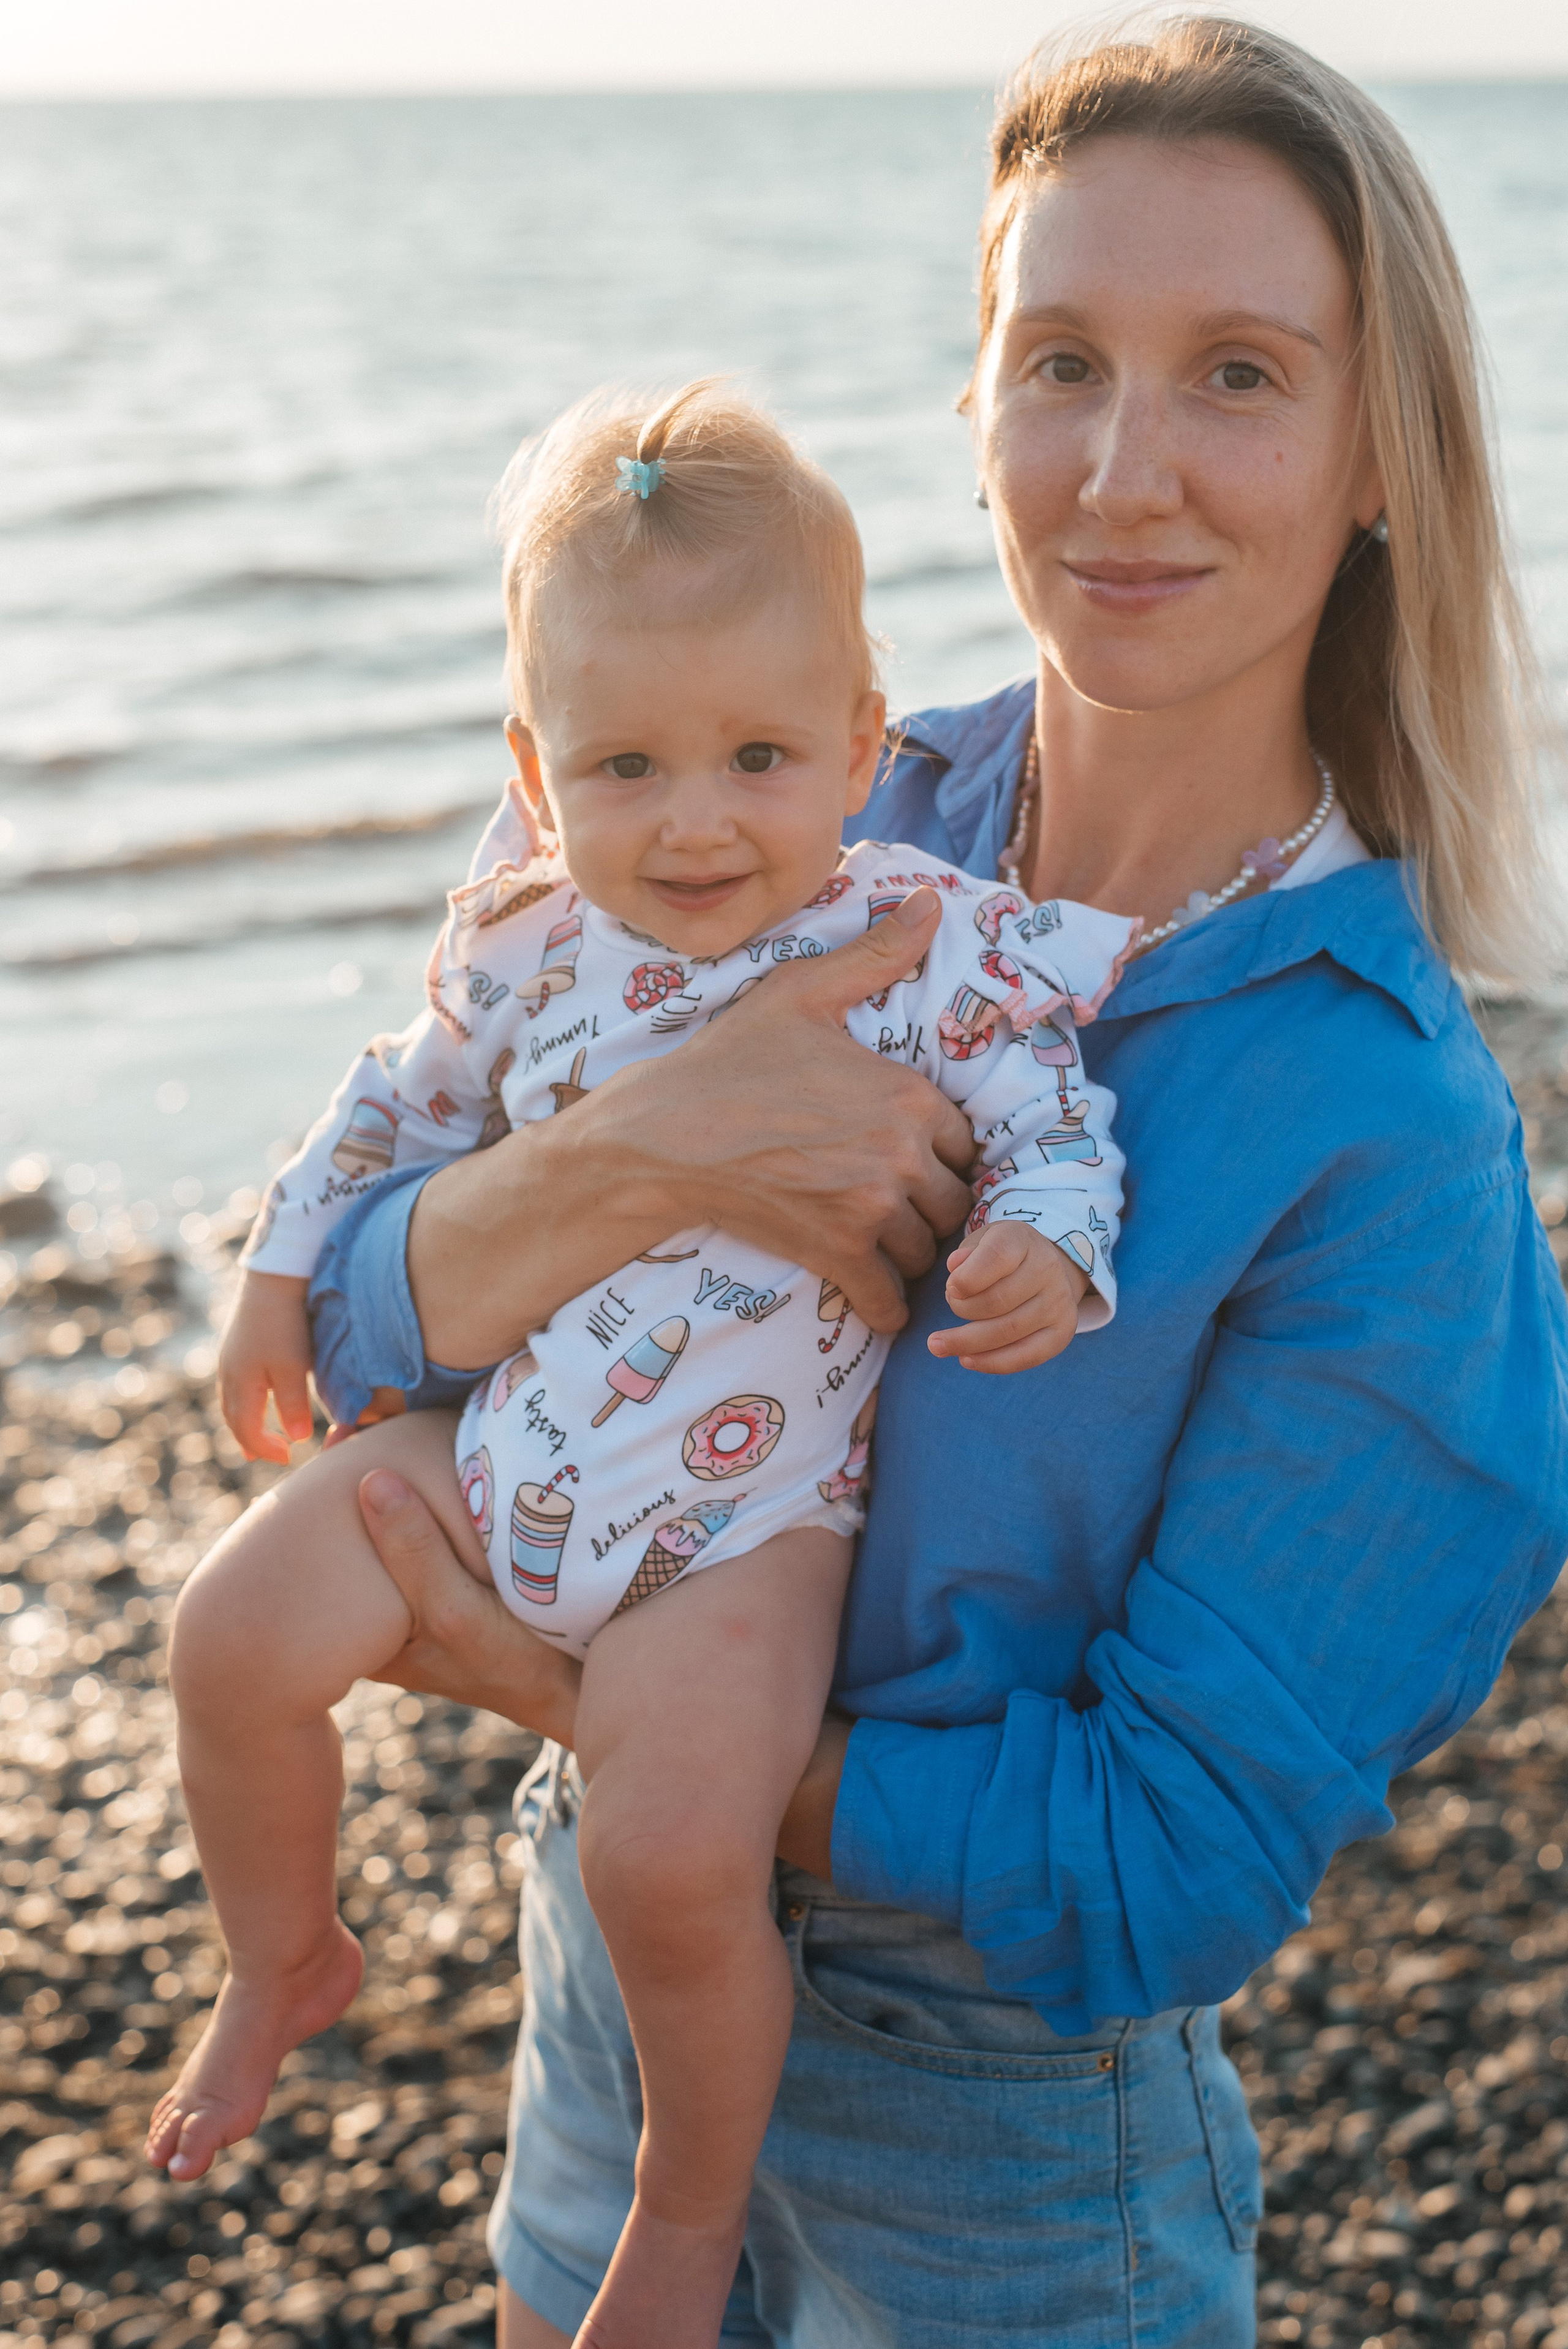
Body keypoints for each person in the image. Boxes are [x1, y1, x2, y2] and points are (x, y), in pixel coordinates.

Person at [179, 17, 1568, 2345]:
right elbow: (360, 1318)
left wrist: (572, 1693)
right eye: (1062, 363)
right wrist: (650, 1149)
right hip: (613, 1982)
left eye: (1239, 373)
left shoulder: (1386, 1138)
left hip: (1004, 2171)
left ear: (1375, 462)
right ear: (979, 411)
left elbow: (1158, 1864)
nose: (1126, 470)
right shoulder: (788, 803)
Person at [148, 384, 1137, 2349]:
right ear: (535, 769)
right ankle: (281, 1950)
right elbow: (388, 1111)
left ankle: (683, 2211)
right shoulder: (526, 938)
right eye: (624, 765)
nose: (694, 819)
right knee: (223, 1635)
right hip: (498, 1444)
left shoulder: (918, 933)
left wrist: (1048, 1238)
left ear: (864, 744)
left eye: (761, 755)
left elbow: (1049, 1108)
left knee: (668, 1851)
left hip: (750, 1529)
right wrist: (278, 1262)